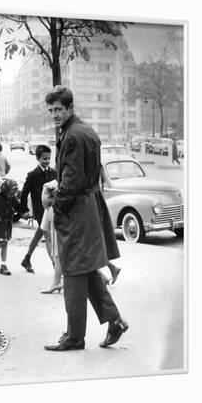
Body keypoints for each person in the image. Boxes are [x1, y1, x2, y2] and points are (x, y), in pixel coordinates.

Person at [43, 86, 128, 351]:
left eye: (59, 109)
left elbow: (71, 179)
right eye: (51, 111)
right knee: (87, 270)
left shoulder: (72, 136)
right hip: (88, 205)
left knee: (72, 272)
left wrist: (55, 205)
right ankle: (115, 321)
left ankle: (75, 337)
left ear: (70, 108)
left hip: (76, 210)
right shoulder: (85, 131)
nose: (55, 115)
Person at [18, 144, 57, 273]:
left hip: (52, 210)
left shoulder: (53, 173)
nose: (46, 161)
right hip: (40, 211)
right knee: (48, 237)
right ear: (38, 158)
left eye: (48, 158)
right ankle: (55, 265)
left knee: (40, 232)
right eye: (44, 159)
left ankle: (26, 258)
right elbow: (24, 193)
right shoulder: (32, 175)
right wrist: (23, 210)